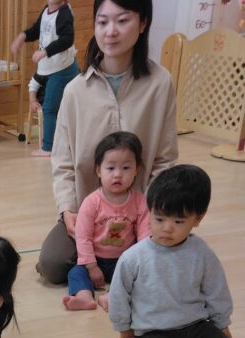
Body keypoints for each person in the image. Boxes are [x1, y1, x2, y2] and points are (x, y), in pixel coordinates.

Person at [38, 0, 177, 284]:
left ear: (143, 23)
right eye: (102, 22)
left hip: (138, 212)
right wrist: (67, 209)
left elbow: (165, 161)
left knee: (171, 265)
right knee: (52, 265)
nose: (110, 31)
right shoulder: (75, 90)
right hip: (87, 212)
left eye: (122, 21)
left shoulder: (160, 83)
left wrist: (152, 216)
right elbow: (62, 162)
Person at [108, 165, 235, 338]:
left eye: (178, 221)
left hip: (194, 326)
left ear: (198, 218)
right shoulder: (133, 257)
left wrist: (222, 324)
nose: (167, 228)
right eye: (159, 218)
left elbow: (216, 290)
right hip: (154, 330)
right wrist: (125, 333)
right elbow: (118, 297)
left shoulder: (201, 252)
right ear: (149, 212)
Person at [63, 130, 149, 311]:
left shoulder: (140, 202)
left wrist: (138, 263)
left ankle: (111, 297)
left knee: (139, 275)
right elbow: (83, 237)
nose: (117, 174)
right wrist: (92, 267)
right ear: (98, 171)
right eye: (110, 168)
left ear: (137, 170)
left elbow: (144, 238)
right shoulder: (91, 202)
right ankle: (84, 296)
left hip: (124, 260)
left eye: (126, 168)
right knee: (76, 272)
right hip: (95, 259)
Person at [10, 0, 78, 157]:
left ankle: (48, 147)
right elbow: (37, 30)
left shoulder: (64, 13)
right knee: (53, 108)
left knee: (49, 108)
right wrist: (22, 36)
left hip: (62, 69)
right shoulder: (47, 10)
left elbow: (67, 39)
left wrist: (45, 52)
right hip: (52, 67)